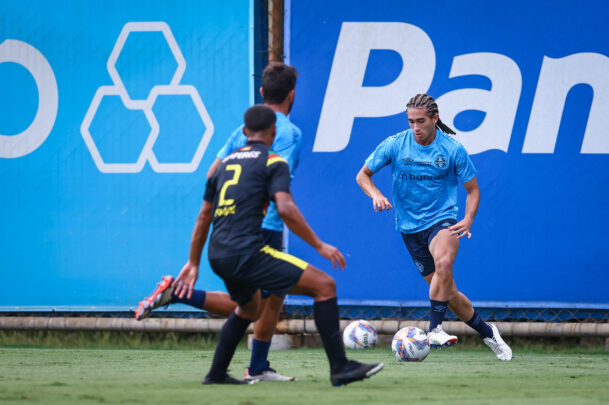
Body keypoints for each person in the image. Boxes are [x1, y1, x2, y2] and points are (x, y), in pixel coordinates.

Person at [176, 104, 384, 385]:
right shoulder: (274, 162)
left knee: (249, 309)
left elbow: (203, 216)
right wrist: (319, 245)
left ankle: (216, 374)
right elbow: (285, 208)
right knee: (325, 286)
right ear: (273, 132)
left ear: (245, 132)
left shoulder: (222, 166)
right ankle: (340, 368)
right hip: (248, 253)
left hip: (218, 253)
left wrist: (193, 262)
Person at [135, 62, 303, 382]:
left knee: (257, 302)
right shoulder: (289, 133)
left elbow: (213, 174)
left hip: (230, 223)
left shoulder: (240, 132)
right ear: (292, 95)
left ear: (262, 91)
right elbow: (276, 181)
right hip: (264, 225)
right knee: (256, 305)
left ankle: (252, 365)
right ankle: (254, 366)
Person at [355, 93, 513, 361]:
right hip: (409, 228)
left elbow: (473, 191)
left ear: (434, 119)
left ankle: (435, 328)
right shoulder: (396, 144)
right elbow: (362, 175)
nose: (415, 127)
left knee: (443, 263)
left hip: (443, 220)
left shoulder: (452, 149)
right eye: (411, 121)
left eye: (421, 121)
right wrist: (376, 195)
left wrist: (468, 218)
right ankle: (488, 332)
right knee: (448, 293)